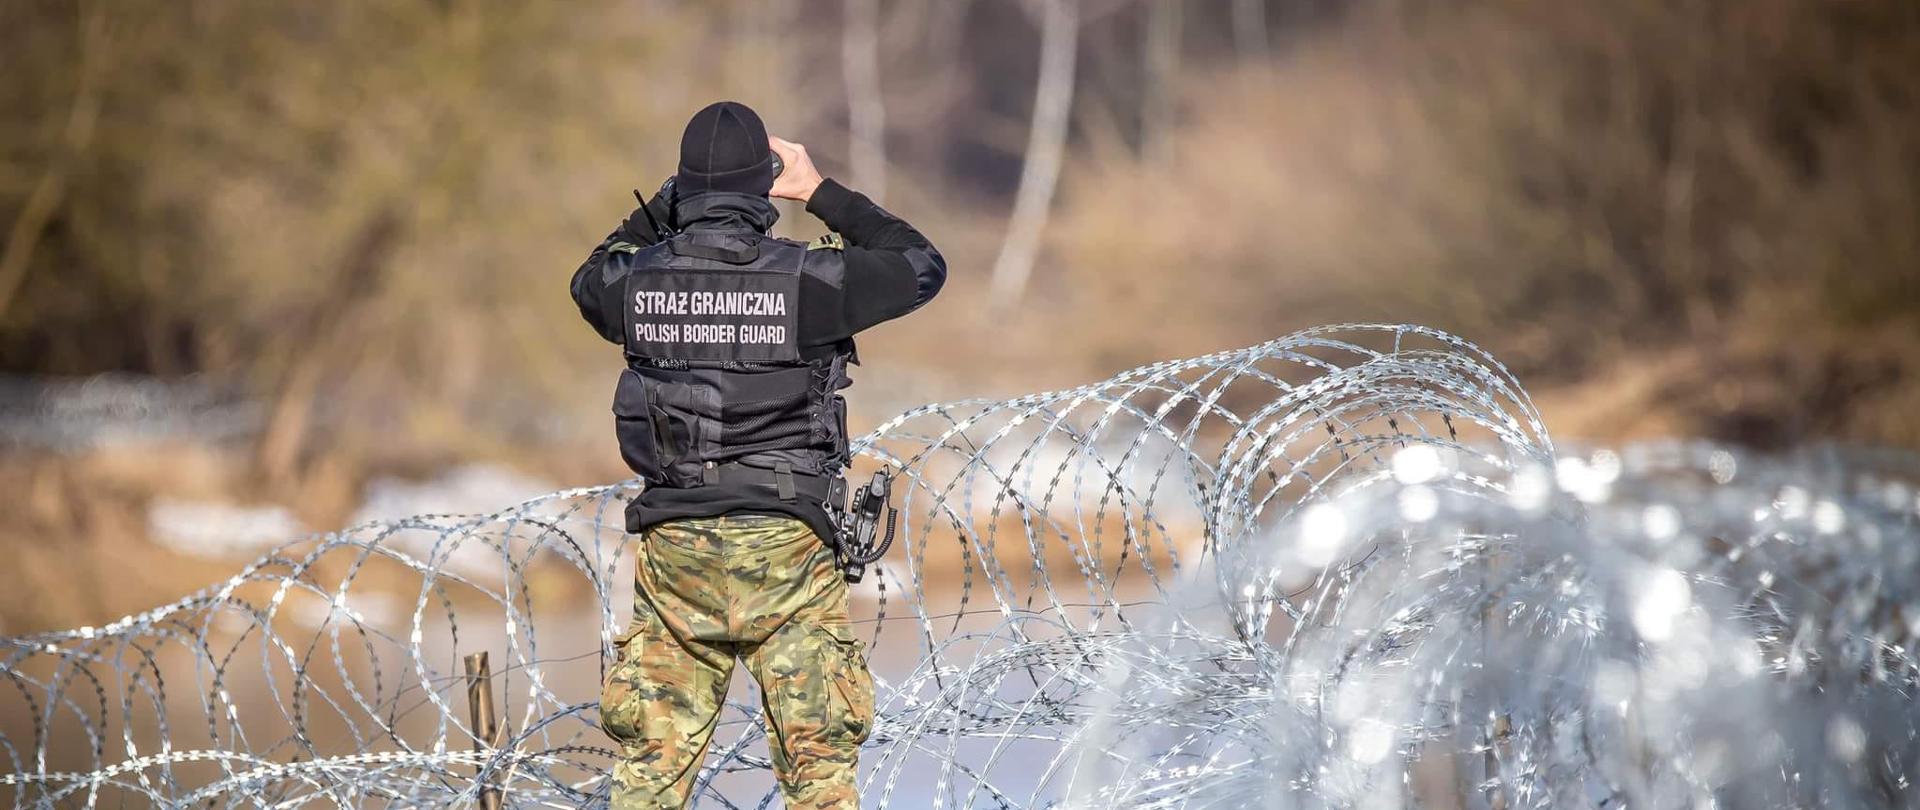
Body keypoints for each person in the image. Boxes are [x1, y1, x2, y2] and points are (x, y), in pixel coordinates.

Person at [570, 100, 946, 809]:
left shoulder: (634, 284)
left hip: (675, 545)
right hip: (787, 542)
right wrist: (819, 191)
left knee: (649, 781)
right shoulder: (810, 280)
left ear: (685, 187)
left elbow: (589, 274)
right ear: (761, 185)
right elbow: (920, 265)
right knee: (818, 778)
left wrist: (665, 204)